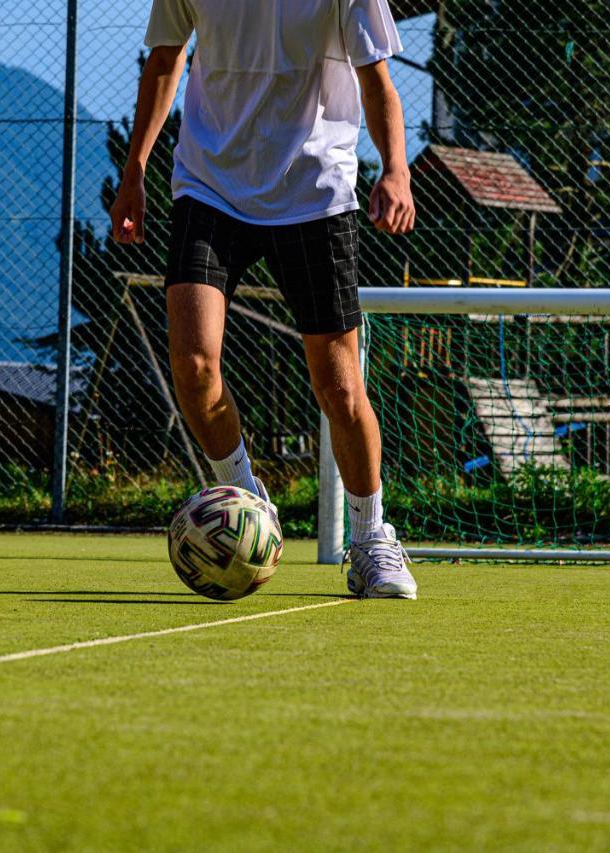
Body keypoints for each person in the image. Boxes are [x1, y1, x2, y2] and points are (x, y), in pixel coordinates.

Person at [109, 0, 418, 599]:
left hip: (313, 188)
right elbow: (166, 59)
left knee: (339, 384)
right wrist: (134, 172)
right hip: (210, 184)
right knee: (194, 366)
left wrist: (396, 169)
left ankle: (371, 539)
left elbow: (376, 79)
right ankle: (250, 506)